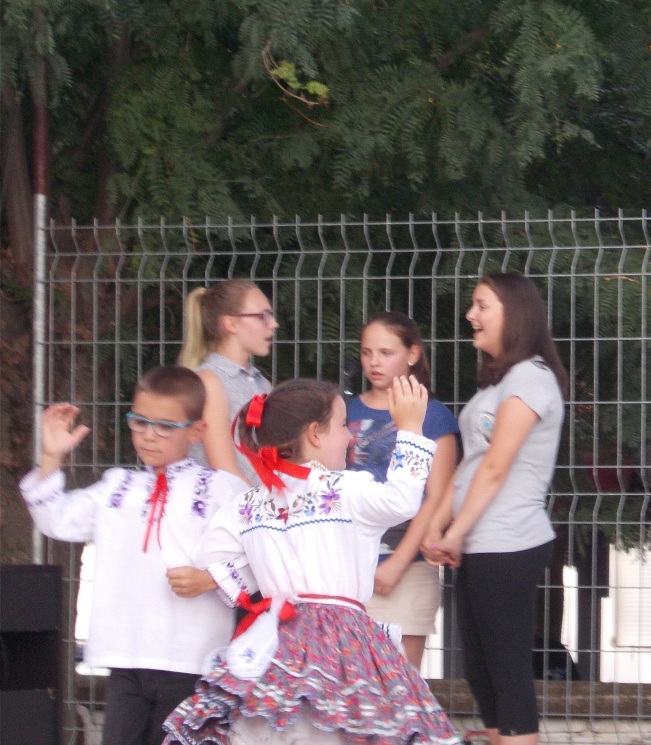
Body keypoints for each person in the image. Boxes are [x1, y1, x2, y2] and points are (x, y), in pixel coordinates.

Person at [163, 376, 459, 745]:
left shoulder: (248, 504)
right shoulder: (346, 490)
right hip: (342, 646)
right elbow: (402, 500)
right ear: (315, 434)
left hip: (274, 644)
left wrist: (259, 564)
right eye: (342, 425)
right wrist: (412, 427)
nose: (349, 436)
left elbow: (213, 557)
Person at [21, 366, 245, 745]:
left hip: (193, 659)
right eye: (139, 422)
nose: (148, 435)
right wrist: (51, 456)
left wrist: (211, 578)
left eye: (165, 426)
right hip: (126, 657)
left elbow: (256, 553)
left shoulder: (223, 490)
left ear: (196, 431)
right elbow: (57, 519)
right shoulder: (117, 486)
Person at [423, 273, 568, 745]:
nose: (471, 315)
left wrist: (454, 532)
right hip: (480, 543)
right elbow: (470, 465)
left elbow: (495, 467)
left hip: (509, 541)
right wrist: (437, 526)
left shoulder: (532, 378)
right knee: (480, 671)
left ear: (514, 314)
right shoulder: (499, 383)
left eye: (482, 305)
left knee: (506, 671)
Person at [347, 311, 460, 668]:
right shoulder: (345, 410)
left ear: (412, 354)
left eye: (386, 352)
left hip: (406, 569)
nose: (374, 362)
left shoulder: (434, 415)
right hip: (348, 567)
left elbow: (437, 496)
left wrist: (397, 562)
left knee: (399, 682)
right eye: (367, 352)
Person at [179, 279, 276, 483]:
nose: (273, 324)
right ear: (231, 323)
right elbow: (224, 470)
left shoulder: (262, 384)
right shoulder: (209, 381)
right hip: (229, 501)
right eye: (262, 316)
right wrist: (268, 501)